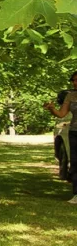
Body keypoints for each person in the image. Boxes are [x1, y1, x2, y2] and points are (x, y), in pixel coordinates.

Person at [44, 72, 77, 201]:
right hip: (74, 132)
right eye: (73, 80)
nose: (75, 83)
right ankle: (76, 194)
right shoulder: (70, 96)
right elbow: (62, 114)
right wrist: (52, 109)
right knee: (75, 162)